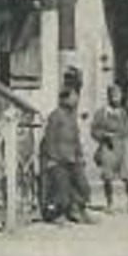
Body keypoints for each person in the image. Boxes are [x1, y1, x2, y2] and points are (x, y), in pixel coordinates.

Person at [39, 85, 92, 224]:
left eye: (76, 96)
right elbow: (49, 139)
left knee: (83, 185)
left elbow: (76, 139)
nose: (76, 99)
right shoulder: (55, 116)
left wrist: (79, 156)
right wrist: (53, 158)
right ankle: (57, 214)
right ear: (64, 99)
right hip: (57, 159)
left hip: (72, 158)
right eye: (73, 96)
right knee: (61, 189)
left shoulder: (71, 117)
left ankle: (78, 210)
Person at [91, 83, 128, 213]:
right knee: (108, 175)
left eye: (118, 95)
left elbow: (127, 130)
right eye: (114, 95)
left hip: (124, 143)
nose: (116, 98)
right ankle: (110, 203)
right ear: (109, 97)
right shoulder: (102, 113)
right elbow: (94, 130)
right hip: (108, 144)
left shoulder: (123, 112)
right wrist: (103, 135)